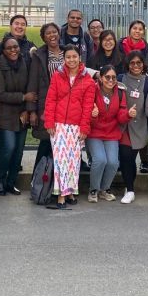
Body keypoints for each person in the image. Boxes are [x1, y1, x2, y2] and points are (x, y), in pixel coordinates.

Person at [42, 46, 96, 210]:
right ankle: (61, 195)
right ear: (63, 59)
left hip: (76, 126)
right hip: (58, 125)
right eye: (68, 57)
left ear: (80, 58)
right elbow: (50, 100)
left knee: (73, 161)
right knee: (61, 162)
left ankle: (71, 192)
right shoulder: (57, 76)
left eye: (74, 57)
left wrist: (84, 128)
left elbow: (87, 107)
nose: (71, 60)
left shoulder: (87, 81)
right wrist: (49, 122)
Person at [0, 36, 33, 196]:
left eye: (15, 47)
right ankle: (0, 180)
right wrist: (23, 97)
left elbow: (29, 87)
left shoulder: (24, 63)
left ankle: (11, 182)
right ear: (3, 50)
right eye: (9, 48)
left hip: (22, 114)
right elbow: (0, 94)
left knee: (19, 151)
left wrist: (26, 109)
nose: (13, 50)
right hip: (5, 115)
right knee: (9, 148)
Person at [86, 64, 132, 203]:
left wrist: (128, 114)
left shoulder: (120, 92)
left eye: (113, 77)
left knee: (112, 162)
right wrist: (93, 115)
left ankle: (104, 189)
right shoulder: (92, 90)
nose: (111, 80)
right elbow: (86, 115)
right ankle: (93, 189)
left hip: (111, 131)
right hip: (94, 132)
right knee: (100, 160)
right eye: (107, 77)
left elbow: (120, 115)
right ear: (100, 78)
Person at [117, 51, 148, 204]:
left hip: (138, 128)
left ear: (143, 64)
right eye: (132, 63)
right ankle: (130, 189)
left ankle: (129, 187)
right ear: (128, 64)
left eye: (139, 63)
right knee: (126, 158)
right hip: (121, 126)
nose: (136, 66)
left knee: (129, 159)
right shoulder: (120, 79)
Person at [27, 22, 65, 163]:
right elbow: (33, 82)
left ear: (59, 33)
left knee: (63, 143)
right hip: (47, 104)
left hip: (67, 105)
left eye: (54, 32)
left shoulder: (68, 52)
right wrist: (32, 110)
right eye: (48, 33)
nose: (52, 35)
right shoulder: (39, 55)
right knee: (46, 141)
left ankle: (59, 178)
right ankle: (39, 178)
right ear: (43, 37)